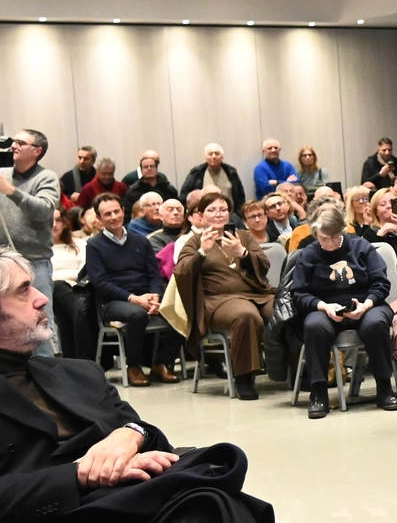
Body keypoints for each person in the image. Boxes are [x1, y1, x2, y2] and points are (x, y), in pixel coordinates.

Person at [0, 248, 288, 523]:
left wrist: (128, 434)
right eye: (23, 292)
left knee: (206, 507)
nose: (42, 298)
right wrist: (78, 475)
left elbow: (152, 437)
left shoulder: (77, 373)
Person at [292, 207, 397, 418]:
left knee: (376, 324)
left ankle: (384, 387)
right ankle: (319, 392)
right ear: (315, 234)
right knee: (314, 326)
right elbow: (299, 293)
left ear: (343, 231)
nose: (329, 243)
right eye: (324, 238)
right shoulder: (309, 253)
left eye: (335, 237)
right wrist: (323, 306)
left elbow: (381, 283)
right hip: (325, 306)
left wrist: (366, 304)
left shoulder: (361, 247)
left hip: (366, 303)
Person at [173, 190, 275, 400]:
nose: (218, 214)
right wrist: (202, 252)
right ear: (201, 215)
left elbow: (264, 264)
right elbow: (181, 272)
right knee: (246, 315)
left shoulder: (243, 236)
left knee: (283, 310)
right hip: (218, 301)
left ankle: (292, 369)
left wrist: (243, 252)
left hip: (256, 293)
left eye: (223, 209)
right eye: (212, 210)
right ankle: (244, 378)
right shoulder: (193, 241)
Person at [84, 193, 183, 387]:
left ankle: (162, 362)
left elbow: (154, 274)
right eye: (107, 214)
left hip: (146, 297)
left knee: (181, 309)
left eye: (116, 211)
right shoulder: (94, 246)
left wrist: (156, 296)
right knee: (137, 315)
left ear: (123, 211)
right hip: (113, 302)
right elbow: (100, 283)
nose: (113, 217)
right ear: (99, 218)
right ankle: (134, 366)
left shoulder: (141, 241)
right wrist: (134, 298)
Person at [0, 128, 61, 358]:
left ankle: (48, 375)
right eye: (12, 141)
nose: (13, 146)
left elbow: (44, 210)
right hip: (3, 262)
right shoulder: (3, 172)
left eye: (20, 142)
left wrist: (11, 192)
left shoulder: (46, 178)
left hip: (34, 262)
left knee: (38, 319)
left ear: (37, 151)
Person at [50, 208, 87, 358]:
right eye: (50, 220)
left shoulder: (80, 244)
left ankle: (72, 357)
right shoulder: (40, 249)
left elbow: (85, 269)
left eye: (58, 220)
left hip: (80, 288)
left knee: (67, 310)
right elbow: (44, 275)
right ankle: (81, 356)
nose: (54, 224)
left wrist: (64, 277)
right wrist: (64, 279)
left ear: (65, 223)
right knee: (59, 288)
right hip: (53, 290)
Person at [180, 143, 248, 213]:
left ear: (222, 157)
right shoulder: (197, 174)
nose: (214, 156)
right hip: (204, 217)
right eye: (210, 154)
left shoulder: (231, 173)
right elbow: (185, 196)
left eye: (217, 153)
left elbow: (240, 196)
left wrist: (238, 214)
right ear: (205, 157)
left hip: (230, 216)